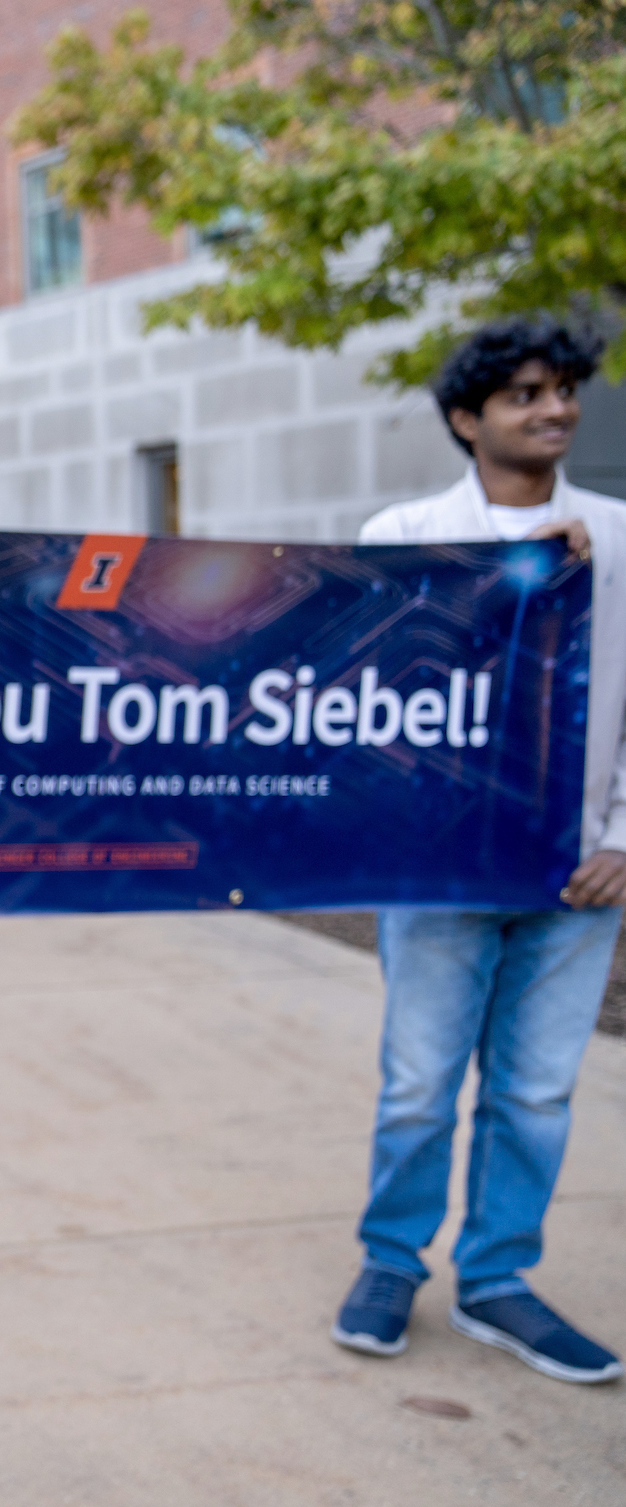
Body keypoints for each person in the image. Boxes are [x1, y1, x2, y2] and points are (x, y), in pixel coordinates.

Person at [333, 317, 625, 1384]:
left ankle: (499, 1279)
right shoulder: (406, 530)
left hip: (577, 872)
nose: (555, 410)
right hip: (442, 870)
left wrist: (625, 841)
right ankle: (390, 1260)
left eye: (564, 391)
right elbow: (362, 693)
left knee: (536, 1090)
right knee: (418, 1082)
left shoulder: (622, 533)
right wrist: (508, 579)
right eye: (526, 395)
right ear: (469, 419)